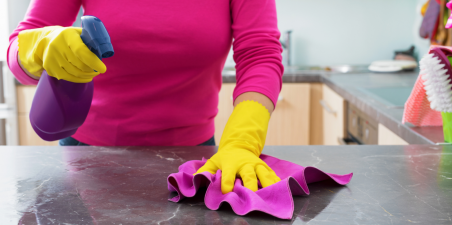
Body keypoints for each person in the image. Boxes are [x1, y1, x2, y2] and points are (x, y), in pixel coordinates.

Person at [7, 0, 283, 194]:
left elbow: (259, 54)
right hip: (86, 156)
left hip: (193, 159)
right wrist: (42, 45)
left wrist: (243, 142)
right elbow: (18, 46)